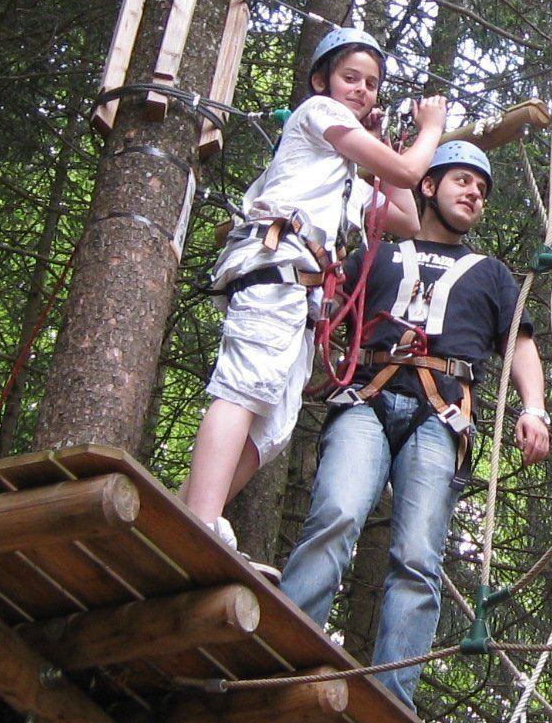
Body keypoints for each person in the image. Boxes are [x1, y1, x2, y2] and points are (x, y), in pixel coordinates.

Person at [281, 138, 552, 706]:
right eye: (462, 181)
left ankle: (392, 700)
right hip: (365, 399)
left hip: (441, 414)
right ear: (427, 185)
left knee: (418, 557)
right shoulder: (375, 255)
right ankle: (285, 652)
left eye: (482, 189)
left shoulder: (492, 274)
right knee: (336, 514)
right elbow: (319, 303)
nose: (474, 194)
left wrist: (534, 408)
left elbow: (520, 344)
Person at [182, 26, 444, 535]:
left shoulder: (341, 177)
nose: (361, 90)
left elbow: (408, 218)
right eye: (351, 78)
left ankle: (191, 513)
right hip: (275, 274)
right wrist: (430, 129)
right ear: (322, 81)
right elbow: (410, 174)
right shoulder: (317, 112)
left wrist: (382, 146)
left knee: (274, 426)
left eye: (371, 84)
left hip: (299, 297)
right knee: (246, 388)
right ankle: (198, 519)